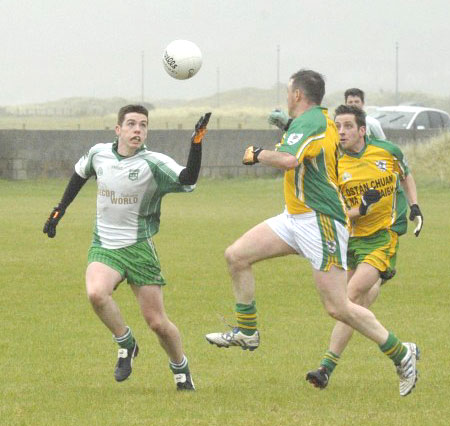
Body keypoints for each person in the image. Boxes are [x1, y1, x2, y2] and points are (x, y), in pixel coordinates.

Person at [205, 69, 418, 396]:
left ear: (297, 95)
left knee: (339, 307)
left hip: (321, 221)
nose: (287, 97)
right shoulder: (321, 122)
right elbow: (305, 148)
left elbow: (289, 160)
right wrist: (288, 128)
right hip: (295, 217)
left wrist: (257, 154)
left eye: (288, 91)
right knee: (236, 256)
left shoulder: (313, 123)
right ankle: (247, 331)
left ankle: (401, 353)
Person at [43, 104, 211, 391]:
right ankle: (126, 342)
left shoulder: (153, 163)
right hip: (104, 245)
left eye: (143, 125)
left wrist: (195, 143)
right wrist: (59, 211)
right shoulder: (99, 153)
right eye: (131, 124)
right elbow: (79, 174)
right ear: (118, 129)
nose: (137, 130)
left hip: (139, 249)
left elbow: (188, 178)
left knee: (157, 322)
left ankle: (180, 367)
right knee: (96, 294)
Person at [305, 105, 423, 396]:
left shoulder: (387, 151)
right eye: (338, 126)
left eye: (347, 126)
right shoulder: (332, 165)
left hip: (381, 237)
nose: (341, 131)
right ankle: (401, 348)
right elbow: (337, 212)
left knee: (351, 296)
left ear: (362, 130)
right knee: (355, 306)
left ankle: (326, 367)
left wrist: (415, 205)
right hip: (349, 240)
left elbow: (405, 174)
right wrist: (362, 208)